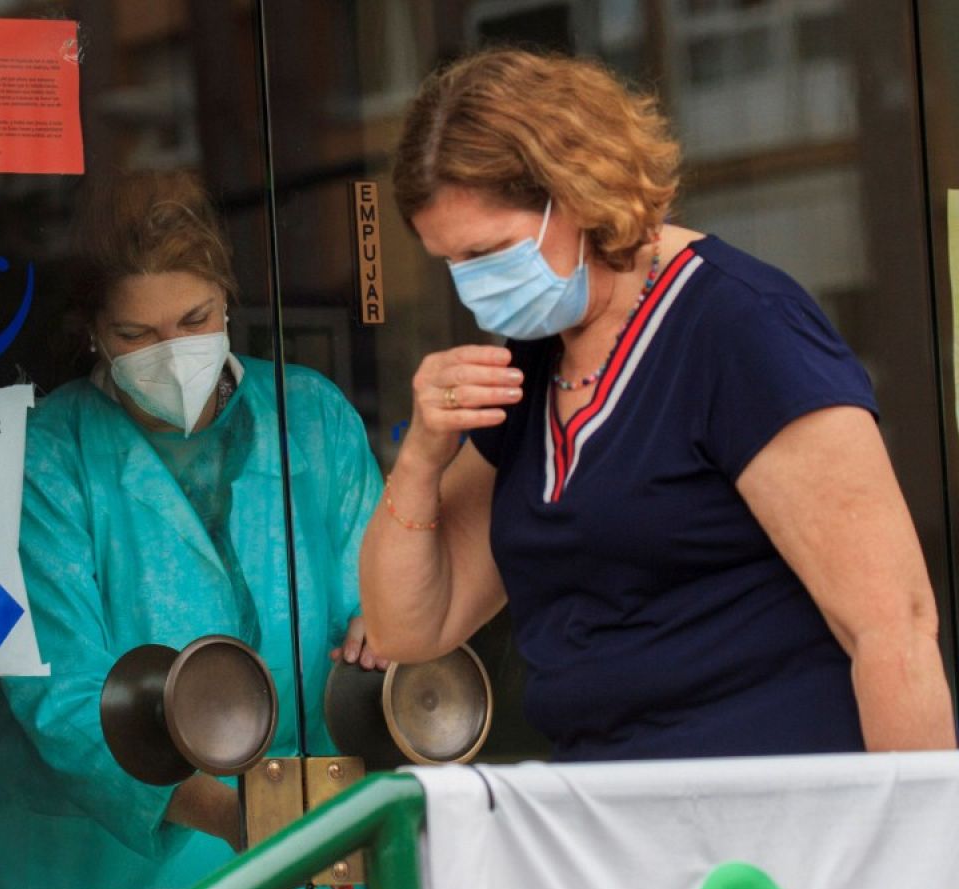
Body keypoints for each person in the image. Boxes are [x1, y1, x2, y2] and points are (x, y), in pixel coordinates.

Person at [362, 48, 956, 762]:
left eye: (491, 253)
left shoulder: (742, 327)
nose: (475, 285)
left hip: (772, 824)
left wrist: (910, 854)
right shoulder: (532, 364)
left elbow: (893, 627)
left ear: (576, 190)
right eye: (450, 262)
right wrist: (425, 452)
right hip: (609, 822)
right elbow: (407, 628)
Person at [0, 170, 385, 889]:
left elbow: (373, 616)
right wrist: (242, 816)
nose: (171, 353)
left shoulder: (312, 419)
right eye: (136, 334)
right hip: (82, 844)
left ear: (227, 299)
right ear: (95, 335)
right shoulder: (49, 456)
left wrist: (381, 647)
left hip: (296, 819)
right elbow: (63, 691)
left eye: (194, 320)